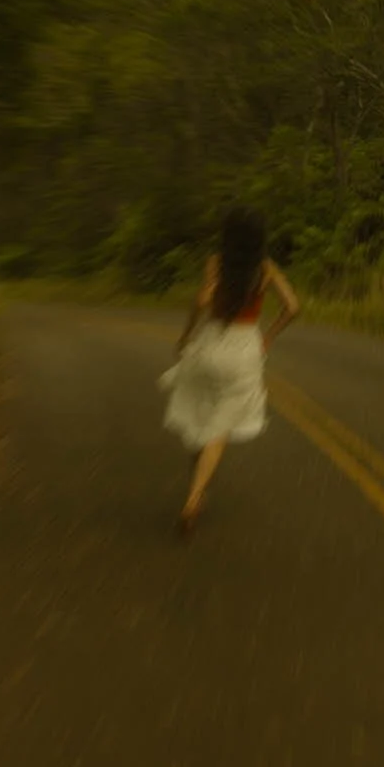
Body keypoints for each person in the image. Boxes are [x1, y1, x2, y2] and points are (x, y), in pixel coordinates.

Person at [161, 206, 300, 536]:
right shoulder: (265, 269)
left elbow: (201, 302)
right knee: (219, 428)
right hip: (244, 351)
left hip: (210, 346)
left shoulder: (216, 263)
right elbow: (293, 307)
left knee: (197, 414)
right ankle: (194, 497)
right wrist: (269, 335)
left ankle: (198, 484)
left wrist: (184, 336)